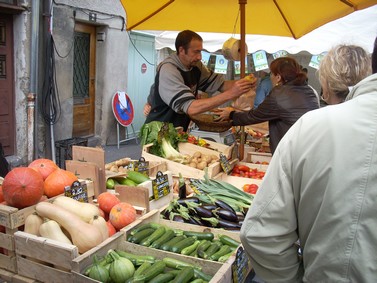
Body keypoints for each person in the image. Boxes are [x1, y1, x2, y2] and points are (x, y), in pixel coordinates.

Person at [240, 42, 374, 282]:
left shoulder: (311, 125)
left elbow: (259, 234)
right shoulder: (309, 96)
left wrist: (293, 277)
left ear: (325, 83)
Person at [144, 30, 254, 131]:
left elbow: (221, 85)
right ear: (181, 50)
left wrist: (244, 84)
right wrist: (231, 93)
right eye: (196, 52)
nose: (200, 57)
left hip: (177, 131)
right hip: (158, 133)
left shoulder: (196, 66)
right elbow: (191, 107)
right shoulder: (169, 70)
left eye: (200, 52)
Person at [215, 56, 319, 154]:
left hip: (291, 150)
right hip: (310, 147)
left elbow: (255, 116)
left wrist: (231, 115)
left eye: (271, 74)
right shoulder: (309, 90)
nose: (270, 77)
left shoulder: (279, 94)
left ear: (278, 77)